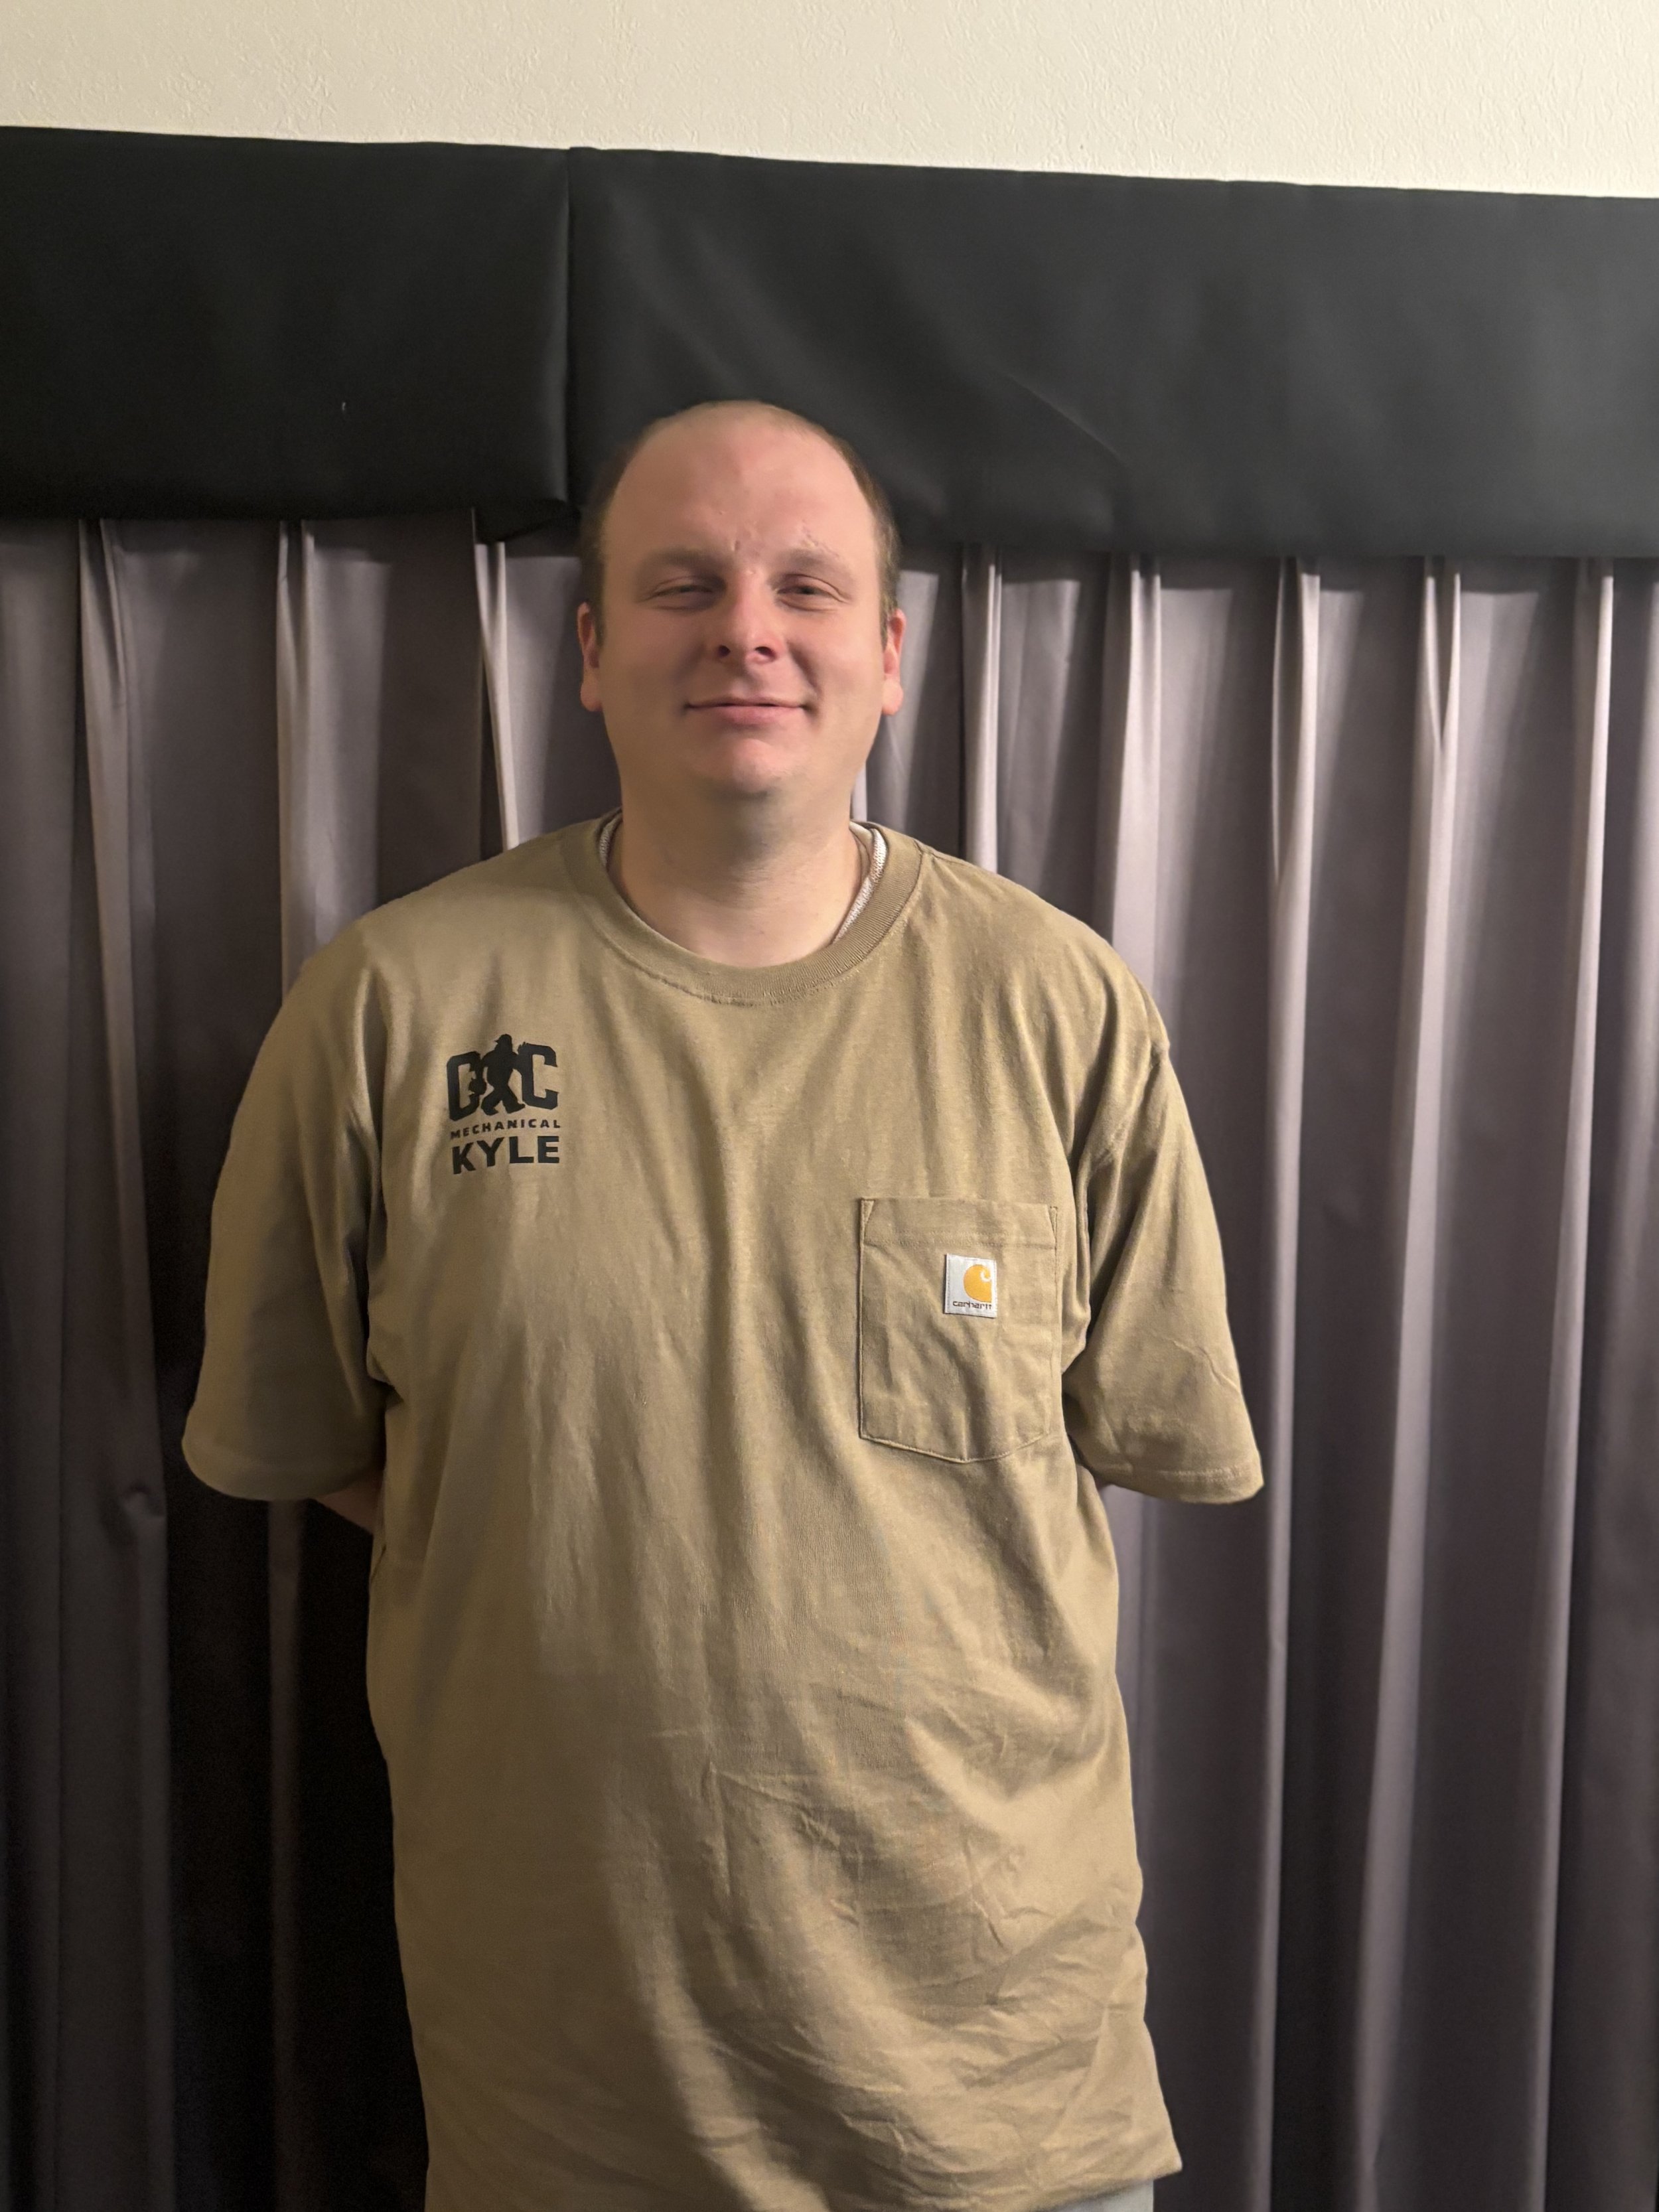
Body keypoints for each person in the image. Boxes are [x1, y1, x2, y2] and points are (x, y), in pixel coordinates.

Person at [184, 400, 1263, 2212]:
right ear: (591, 652)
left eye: (804, 588)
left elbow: (1133, 1435)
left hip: (997, 2106)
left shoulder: (1058, 1006)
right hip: (568, 2108)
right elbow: (341, 1456)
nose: (744, 629)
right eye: (681, 585)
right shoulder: (389, 1005)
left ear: (887, 658)